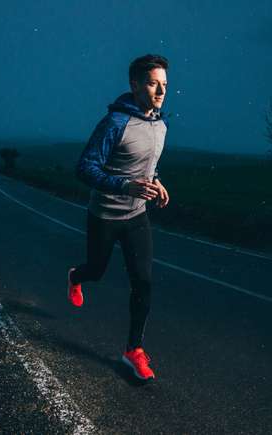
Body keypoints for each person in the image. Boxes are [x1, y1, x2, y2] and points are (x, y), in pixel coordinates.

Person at [67, 54, 170, 381]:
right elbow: (85, 168)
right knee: (96, 271)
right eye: (153, 83)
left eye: (165, 85)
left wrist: (155, 182)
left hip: (137, 216)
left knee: (143, 282)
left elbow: (146, 164)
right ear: (135, 84)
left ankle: (133, 351)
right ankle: (76, 276)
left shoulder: (161, 124)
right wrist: (125, 185)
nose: (160, 91)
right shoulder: (114, 123)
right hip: (105, 216)